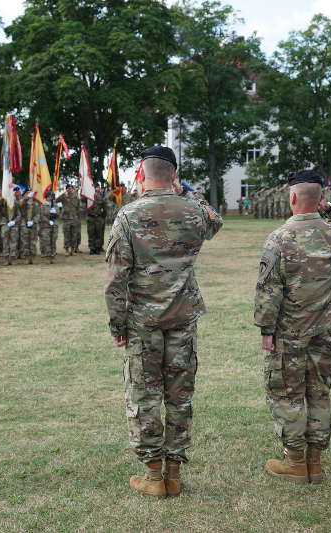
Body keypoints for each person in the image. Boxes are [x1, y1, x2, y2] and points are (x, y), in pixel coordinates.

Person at [105, 146, 223, 499]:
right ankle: (173, 471)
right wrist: (186, 193)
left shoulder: (128, 216)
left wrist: (117, 325)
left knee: (144, 395)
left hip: (143, 321)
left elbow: (115, 281)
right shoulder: (193, 212)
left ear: (140, 175)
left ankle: (153, 475)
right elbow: (215, 220)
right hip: (183, 318)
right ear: (174, 176)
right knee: (179, 395)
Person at [254, 169, 331, 485]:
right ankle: (315, 461)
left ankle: (296, 461)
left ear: (293, 198)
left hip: (290, 332)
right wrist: (327, 209)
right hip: (324, 331)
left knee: (287, 394)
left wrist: (265, 329)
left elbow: (269, 291)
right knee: (319, 393)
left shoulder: (279, 239)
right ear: (320, 200)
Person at [2, 187, 23, 265]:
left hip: (14, 225)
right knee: (5, 242)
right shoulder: (4, 202)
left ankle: (12, 258)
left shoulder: (15, 203)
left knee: (13, 242)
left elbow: (19, 215)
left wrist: (14, 221)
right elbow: (0, 211)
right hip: (5, 224)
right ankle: (6, 258)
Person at [38, 189, 59, 263]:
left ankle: (53, 255)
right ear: (46, 197)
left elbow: (58, 214)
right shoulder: (43, 206)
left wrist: (55, 212)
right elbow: (41, 215)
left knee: (53, 240)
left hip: (54, 225)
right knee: (47, 241)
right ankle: (48, 256)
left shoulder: (55, 205)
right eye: (49, 196)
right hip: (46, 226)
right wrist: (48, 221)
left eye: (51, 196)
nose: (50, 198)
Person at [59, 184, 80, 256]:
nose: (70, 190)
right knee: (66, 235)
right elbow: (56, 200)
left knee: (74, 235)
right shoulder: (63, 197)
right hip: (66, 219)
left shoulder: (76, 197)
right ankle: (66, 250)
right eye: (68, 188)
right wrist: (63, 194)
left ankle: (72, 250)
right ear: (66, 189)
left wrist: (78, 217)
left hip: (74, 219)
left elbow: (78, 207)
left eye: (71, 188)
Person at [20, 190, 39, 264]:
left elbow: (38, 214)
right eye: (27, 193)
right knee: (25, 241)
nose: (29, 194)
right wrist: (27, 198)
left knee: (33, 241)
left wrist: (33, 221)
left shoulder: (35, 204)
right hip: (24, 223)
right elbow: (20, 205)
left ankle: (32, 257)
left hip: (33, 224)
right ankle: (27, 257)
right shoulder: (23, 202)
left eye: (30, 193)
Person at [87, 185, 107, 254]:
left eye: (98, 191)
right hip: (91, 218)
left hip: (98, 218)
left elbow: (105, 208)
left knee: (98, 234)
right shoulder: (89, 197)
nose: (96, 192)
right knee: (91, 234)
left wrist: (102, 217)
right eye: (95, 191)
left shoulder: (101, 198)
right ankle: (92, 249)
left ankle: (97, 248)